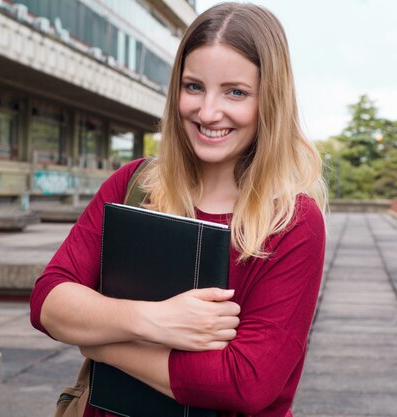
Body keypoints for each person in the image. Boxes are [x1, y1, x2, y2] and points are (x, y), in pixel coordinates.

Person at [30, 2, 327, 416]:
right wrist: (157, 320)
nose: (207, 112)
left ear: (270, 102)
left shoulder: (293, 221)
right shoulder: (134, 183)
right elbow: (49, 302)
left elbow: (246, 382)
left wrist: (102, 341)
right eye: (193, 87)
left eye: (235, 92)